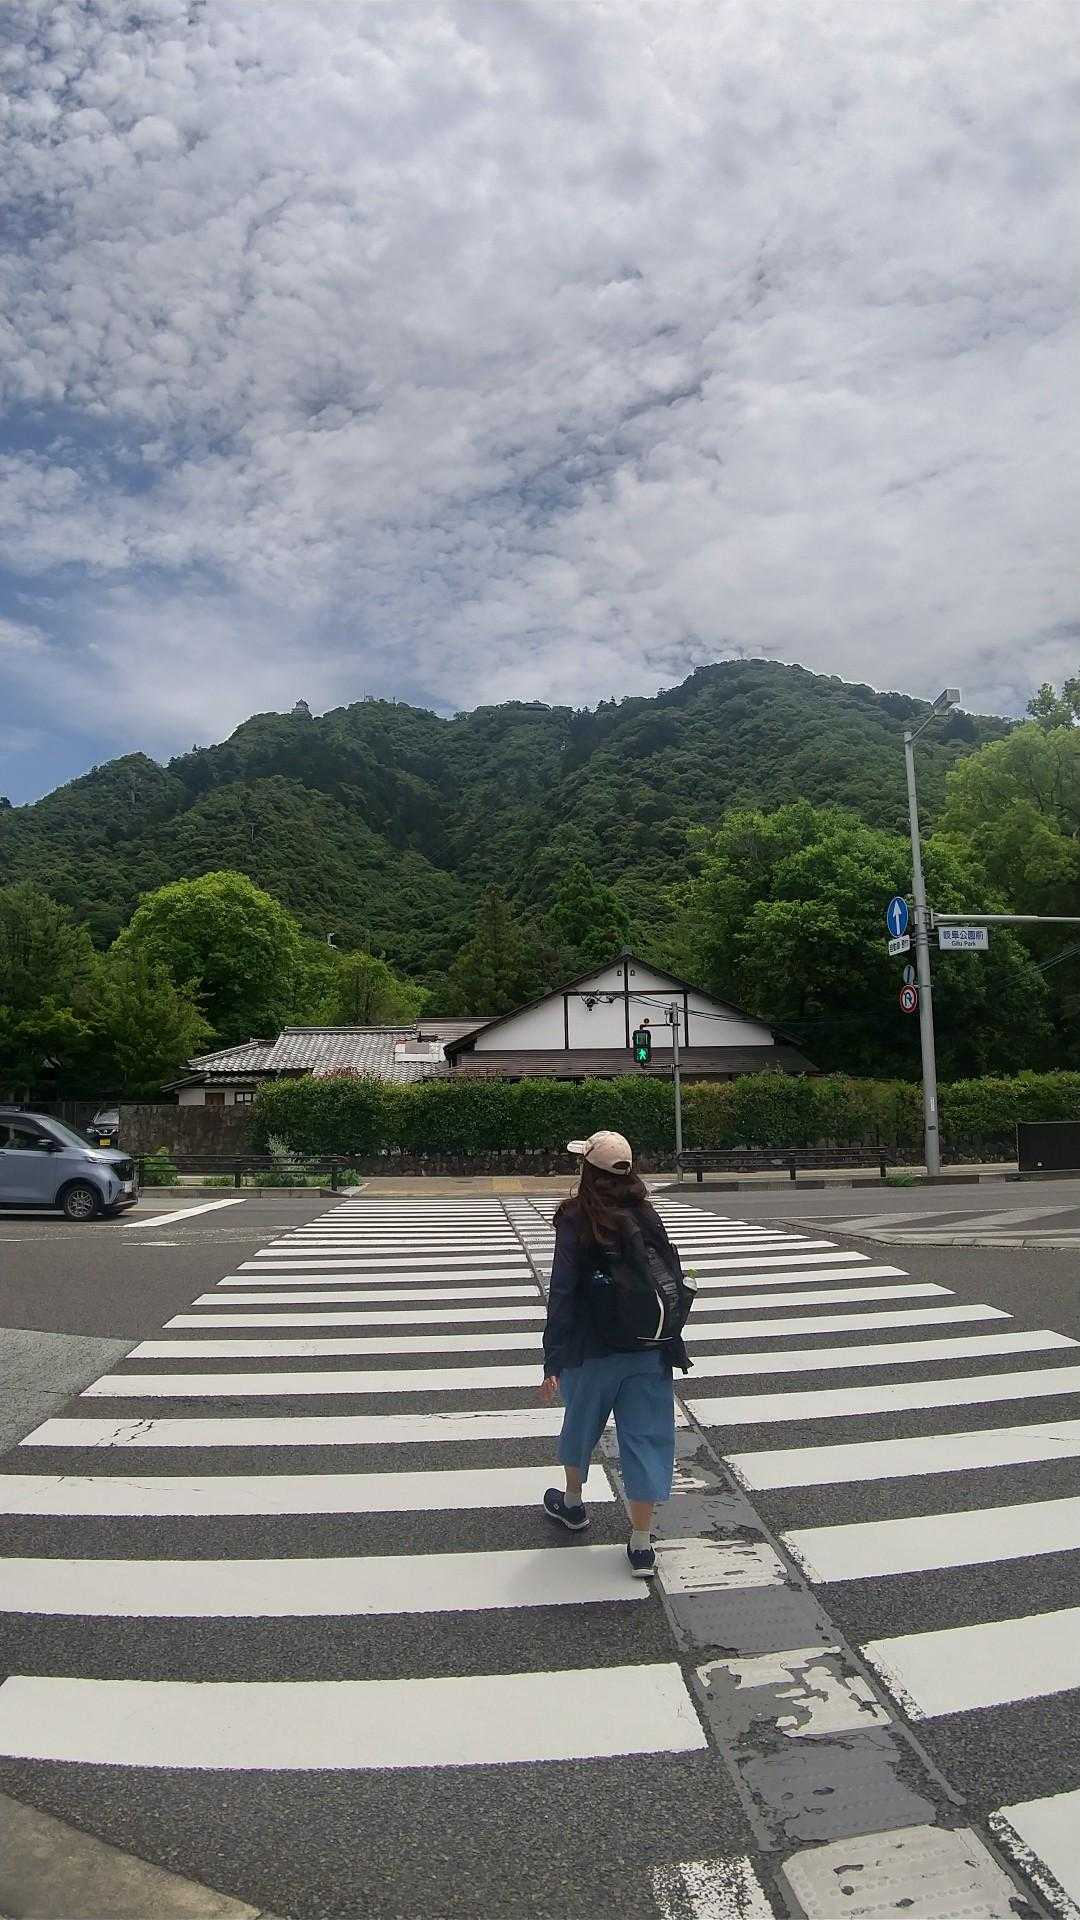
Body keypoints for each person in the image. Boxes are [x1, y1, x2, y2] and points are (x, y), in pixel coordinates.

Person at [538, 1129, 690, 1577]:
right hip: (649, 1350)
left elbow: (563, 1292)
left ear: (587, 1170)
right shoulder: (645, 1212)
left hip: (593, 1348)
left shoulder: (575, 1217)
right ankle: (641, 1543)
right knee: (646, 1438)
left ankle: (572, 1504)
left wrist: (553, 1357)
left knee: (581, 1424)